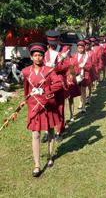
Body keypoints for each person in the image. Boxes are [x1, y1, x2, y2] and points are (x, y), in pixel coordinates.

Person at [22, 43, 63, 177]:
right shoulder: (26, 71)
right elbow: (26, 88)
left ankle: (50, 157)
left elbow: (58, 84)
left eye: (40, 55)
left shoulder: (49, 71)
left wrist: (44, 90)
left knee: (50, 130)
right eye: (35, 56)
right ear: (31, 57)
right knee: (36, 134)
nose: (38, 58)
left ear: (43, 57)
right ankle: (37, 165)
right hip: (34, 107)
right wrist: (27, 100)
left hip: (47, 105)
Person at [42, 30, 69, 143]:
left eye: (55, 43)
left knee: (60, 107)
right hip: (47, 81)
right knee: (47, 106)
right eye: (51, 43)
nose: (53, 45)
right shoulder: (44, 51)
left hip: (59, 81)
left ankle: (59, 132)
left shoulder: (64, 50)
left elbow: (66, 65)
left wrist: (55, 67)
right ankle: (47, 131)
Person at [62, 44, 81, 123]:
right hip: (63, 82)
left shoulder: (73, 60)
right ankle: (63, 118)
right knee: (63, 101)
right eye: (65, 50)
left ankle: (72, 116)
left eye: (68, 50)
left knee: (71, 100)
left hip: (71, 82)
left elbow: (77, 70)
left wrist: (75, 72)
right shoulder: (61, 60)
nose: (67, 52)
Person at [72, 40, 92, 113]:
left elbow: (90, 66)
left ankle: (84, 106)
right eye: (79, 48)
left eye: (82, 48)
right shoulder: (74, 55)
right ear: (77, 48)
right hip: (76, 75)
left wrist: (84, 66)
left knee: (83, 90)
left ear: (84, 47)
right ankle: (80, 102)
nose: (80, 49)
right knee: (78, 89)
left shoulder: (87, 56)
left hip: (84, 75)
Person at [85, 39, 97, 105]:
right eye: (85, 45)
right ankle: (85, 95)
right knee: (85, 85)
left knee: (90, 84)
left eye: (87, 45)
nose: (86, 47)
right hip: (84, 71)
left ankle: (89, 98)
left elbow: (94, 62)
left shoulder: (91, 53)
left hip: (91, 70)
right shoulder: (82, 53)